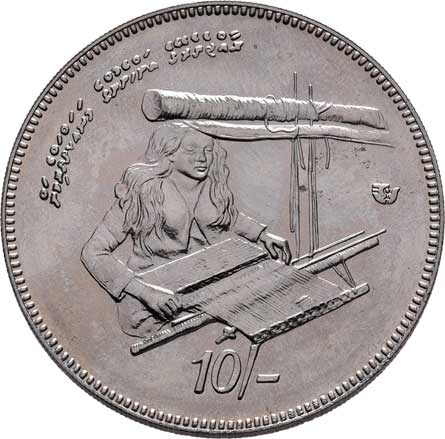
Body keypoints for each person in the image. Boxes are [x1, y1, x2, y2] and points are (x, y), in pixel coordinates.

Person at [81, 122, 291, 338]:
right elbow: (93, 252)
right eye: (191, 150)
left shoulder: (211, 187)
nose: (202, 158)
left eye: (207, 150)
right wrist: (146, 293)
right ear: (171, 153)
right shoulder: (142, 192)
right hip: (149, 311)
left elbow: (227, 217)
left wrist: (261, 235)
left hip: (198, 296)